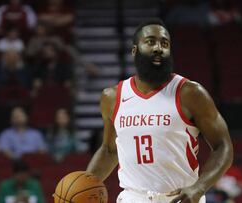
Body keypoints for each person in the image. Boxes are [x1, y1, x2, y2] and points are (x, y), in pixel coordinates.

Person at [86, 19, 233, 203]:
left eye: (165, 44)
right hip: (134, 198)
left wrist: (199, 187)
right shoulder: (112, 97)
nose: (158, 48)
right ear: (134, 50)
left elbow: (223, 146)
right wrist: (82, 186)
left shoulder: (190, 93)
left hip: (180, 197)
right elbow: (109, 151)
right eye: (150, 42)